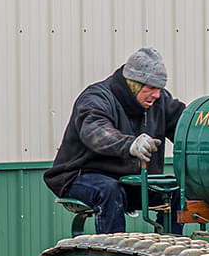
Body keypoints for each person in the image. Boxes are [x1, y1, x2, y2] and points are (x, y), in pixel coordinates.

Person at [44, 48, 186, 234]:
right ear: (132, 84)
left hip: (130, 180)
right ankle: (112, 255)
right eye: (151, 88)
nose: (157, 95)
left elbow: (185, 125)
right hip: (81, 175)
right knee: (109, 190)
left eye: (159, 88)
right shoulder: (96, 97)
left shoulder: (160, 102)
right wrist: (130, 145)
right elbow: (96, 131)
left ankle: (170, 248)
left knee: (177, 192)